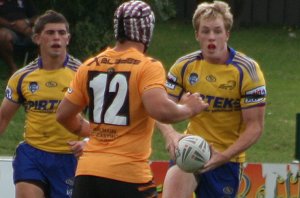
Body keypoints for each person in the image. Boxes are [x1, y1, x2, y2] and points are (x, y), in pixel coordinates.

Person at [56, 1, 208, 197]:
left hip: (87, 174)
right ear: (146, 29)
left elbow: (63, 115)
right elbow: (160, 110)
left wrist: (96, 132)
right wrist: (188, 109)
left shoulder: (90, 65)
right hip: (127, 175)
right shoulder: (147, 66)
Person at [156, 1, 266, 198]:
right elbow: (159, 107)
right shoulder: (184, 66)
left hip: (226, 160)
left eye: (217, 30)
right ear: (197, 35)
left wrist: (223, 156)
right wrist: (171, 135)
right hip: (191, 151)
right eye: (205, 31)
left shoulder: (247, 70)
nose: (212, 37)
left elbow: (255, 126)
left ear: (227, 34)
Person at [0, 10, 85, 198]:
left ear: (68, 38)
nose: (57, 37)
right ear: (37, 38)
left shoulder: (83, 74)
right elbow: (3, 118)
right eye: (50, 33)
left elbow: (103, 119)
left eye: (62, 33)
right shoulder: (22, 77)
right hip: (33, 155)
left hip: (69, 158)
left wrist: (88, 142)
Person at [0, 0, 38, 74]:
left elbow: (36, 17)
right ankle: (13, 68)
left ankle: (42, 64)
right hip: (7, 29)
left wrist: (27, 22)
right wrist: (12, 25)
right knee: (2, 35)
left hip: (27, 28)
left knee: (46, 32)